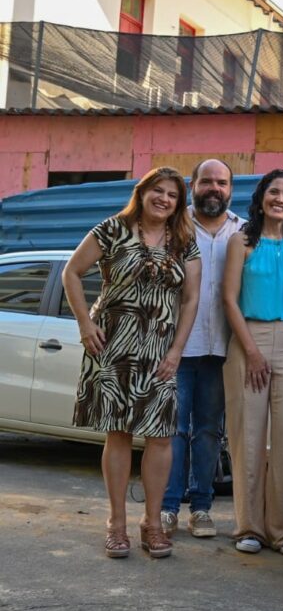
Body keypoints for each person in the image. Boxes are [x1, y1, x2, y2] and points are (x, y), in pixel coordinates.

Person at [65, 167, 201, 559]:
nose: (164, 199)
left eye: (173, 195)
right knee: (118, 433)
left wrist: (177, 350)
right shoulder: (113, 228)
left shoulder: (185, 242)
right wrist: (85, 324)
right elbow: (72, 273)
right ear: (142, 192)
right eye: (157, 190)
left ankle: (153, 524)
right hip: (111, 344)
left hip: (160, 351)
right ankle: (117, 524)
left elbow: (190, 299)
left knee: (160, 436)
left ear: (179, 203)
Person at [222, 169, 283, 556]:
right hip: (248, 341)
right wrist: (253, 352)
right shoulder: (240, 241)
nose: (281, 199)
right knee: (248, 438)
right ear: (261, 199)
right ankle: (249, 528)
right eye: (274, 192)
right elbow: (229, 299)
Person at [161, 159, 241, 541]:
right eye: (206, 181)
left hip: (222, 348)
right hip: (175, 348)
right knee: (172, 430)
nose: (214, 188)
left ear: (231, 188)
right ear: (193, 185)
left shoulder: (244, 231)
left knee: (209, 431)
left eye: (221, 182)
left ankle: (202, 508)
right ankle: (167, 507)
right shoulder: (171, 226)